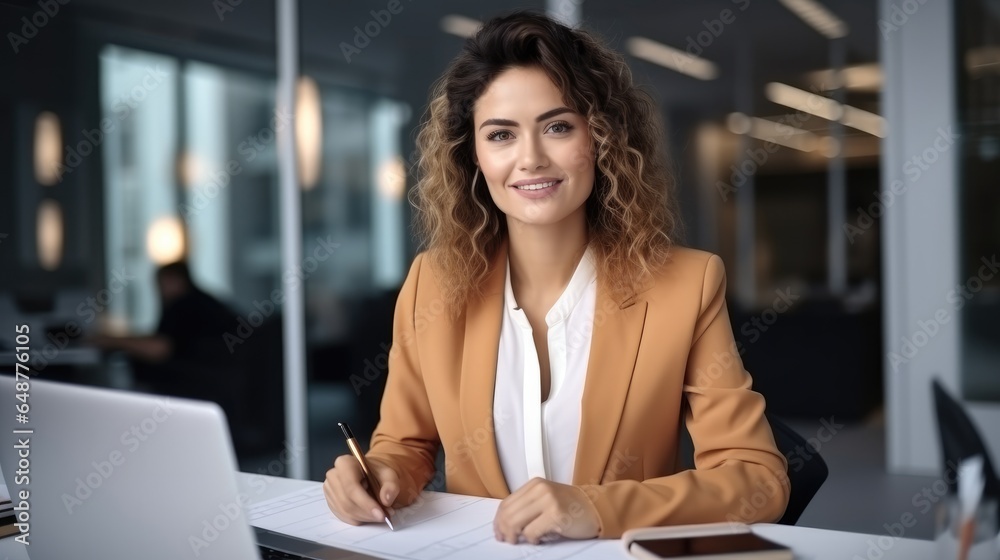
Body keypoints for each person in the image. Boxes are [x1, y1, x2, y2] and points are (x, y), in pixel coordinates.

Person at [324, 11, 790, 543]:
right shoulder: (432, 284)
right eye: (501, 134)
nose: (531, 159)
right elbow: (404, 446)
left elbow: (758, 480)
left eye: (558, 127)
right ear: (472, 155)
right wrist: (380, 476)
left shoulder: (685, 284)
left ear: (602, 138)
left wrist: (597, 508)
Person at [91, 261, 243, 429]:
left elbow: (160, 349)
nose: (158, 290)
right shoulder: (201, 302)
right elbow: (168, 340)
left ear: (175, 280)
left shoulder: (184, 305)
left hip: (203, 393)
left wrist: (110, 341)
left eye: (160, 283)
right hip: (226, 393)